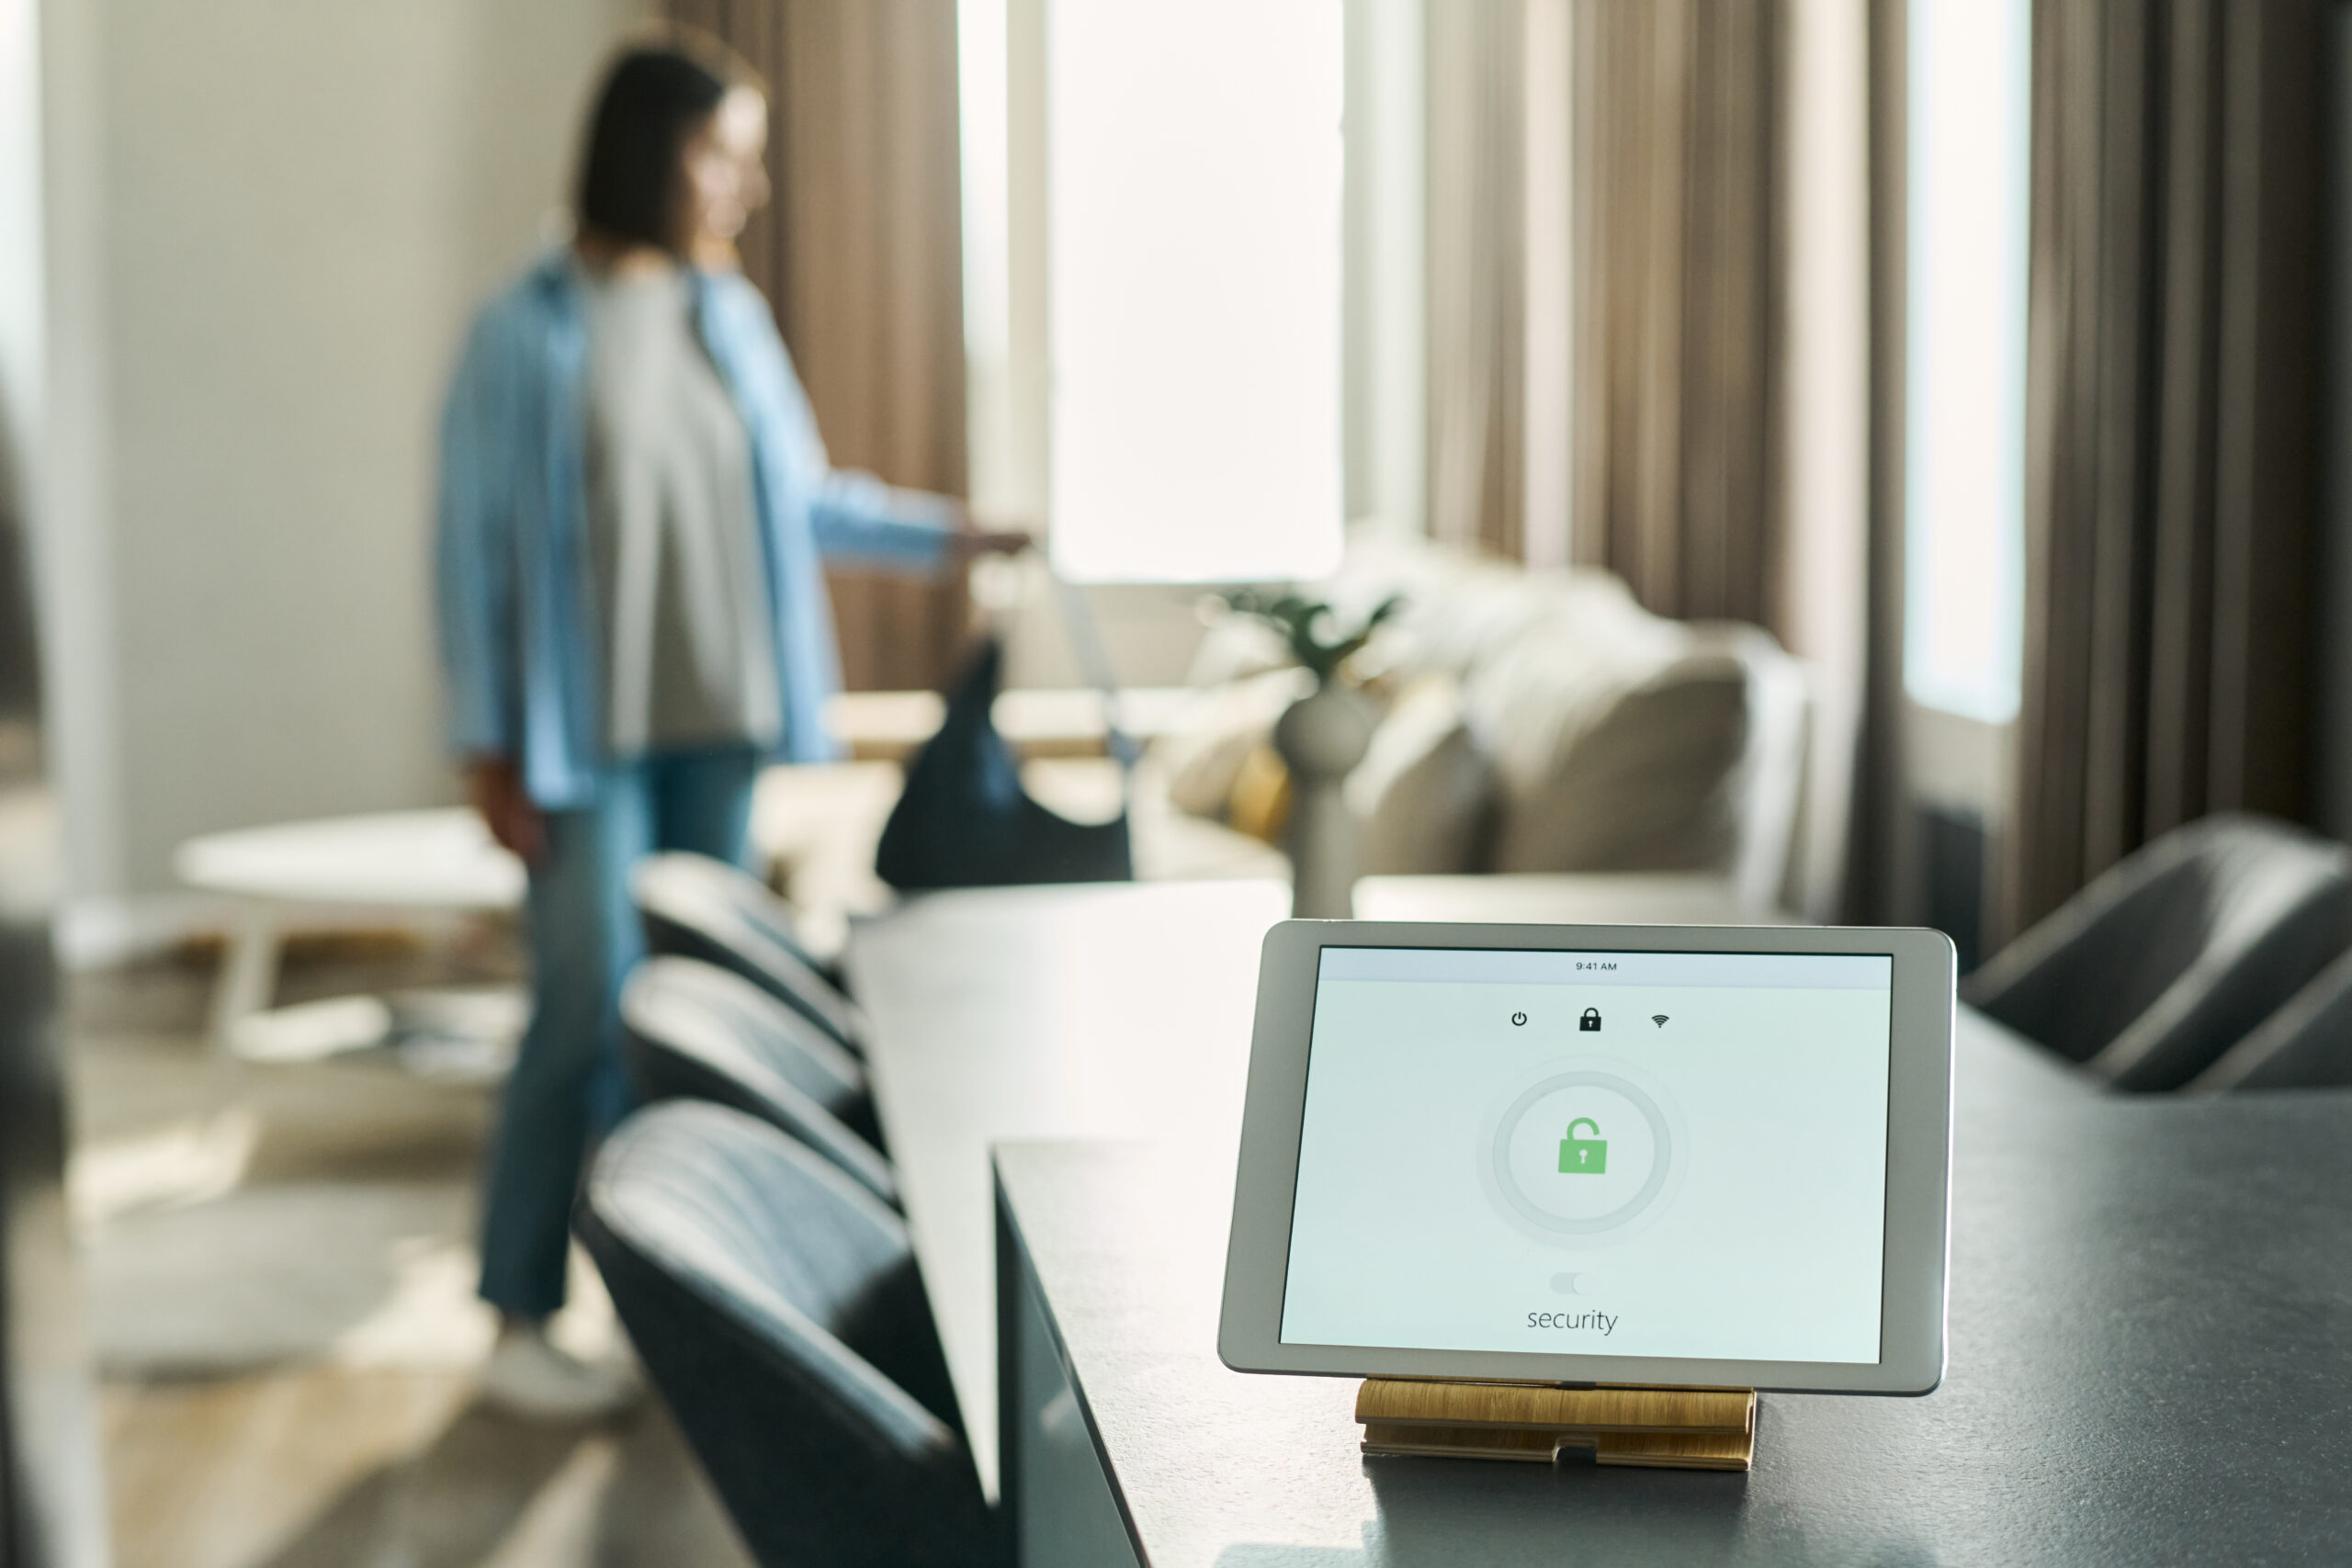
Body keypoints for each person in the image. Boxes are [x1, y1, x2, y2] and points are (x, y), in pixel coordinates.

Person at [435, 34, 1021, 1418]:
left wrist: (952, 536)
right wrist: (482, 743)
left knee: (685, 1023)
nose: (747, 188)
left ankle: (664, 1298)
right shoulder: (524, 330)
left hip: (722, 724)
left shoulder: (728, 318)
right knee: (581, 1001)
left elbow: (805, 500)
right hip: (584, 740)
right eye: (726, 156)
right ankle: (517, 1307)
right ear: (650, 153)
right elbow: (471, 559)